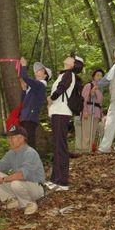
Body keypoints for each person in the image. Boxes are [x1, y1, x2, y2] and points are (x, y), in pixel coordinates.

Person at [0, 125, 45, 215]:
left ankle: (29, 203)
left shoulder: (30, 153)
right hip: (22, 185)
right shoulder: (12, 153)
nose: (9, 140)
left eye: (11, 137)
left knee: (15, 183)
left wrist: (0, 180)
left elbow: (21, 175)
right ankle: (12, 201)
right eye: (8, 138)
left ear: (21, 139)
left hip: (36, 188)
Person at [46, 55, 76, 190]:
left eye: (71, 58)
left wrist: (51, 98)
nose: (67, 58)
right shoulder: (64, 74)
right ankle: (55, 179)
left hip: (62, 112)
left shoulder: (69, 74)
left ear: (73, 64)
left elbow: (62, 87)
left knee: (61, 146)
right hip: (57, 112)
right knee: (57, 146)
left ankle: (62, 181)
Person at [18, 57, 51, 148]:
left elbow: (25, 77)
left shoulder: (41, 85)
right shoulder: (33, 87)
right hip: (24, 117)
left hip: (30, 118)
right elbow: (24, 103)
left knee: (30, 143)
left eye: (40, 70)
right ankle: (26, 161)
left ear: (45, 76)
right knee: (24, 143)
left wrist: (24, 66)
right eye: (37, 70)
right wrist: (24, 90)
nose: (37, 71)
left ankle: (33, 161)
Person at [75, 69, 104, 153]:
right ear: (93, 76)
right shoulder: (89, 85)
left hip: (97, 113)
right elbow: (83, 99)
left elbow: (100, 103)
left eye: (101, 76)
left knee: (93, 132)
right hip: (89, 111)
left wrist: (101, 115)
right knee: (86, 132)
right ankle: (84, 150)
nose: (99, 77)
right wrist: (84, 111)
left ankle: (90, 149)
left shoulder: (100, 89)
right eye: (97, 75)